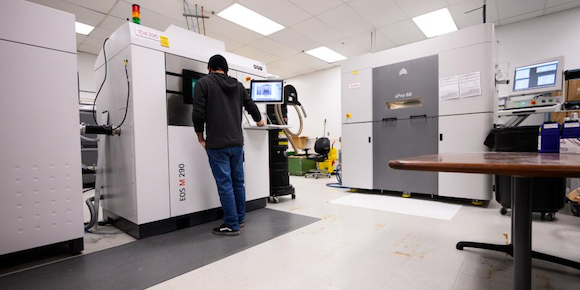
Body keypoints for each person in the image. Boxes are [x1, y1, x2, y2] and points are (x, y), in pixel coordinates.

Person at [192, 54, 265, 236]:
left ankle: (231, 224)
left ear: (209, 68)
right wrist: (259, 120)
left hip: (217, 144)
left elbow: (198, 113)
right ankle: (239, 219)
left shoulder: (203, 83)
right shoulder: (238, 86)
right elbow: (251, 105)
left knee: (225, 185)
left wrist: (200, 136)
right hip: (236, 143)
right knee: (238, 183)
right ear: (225, 70)